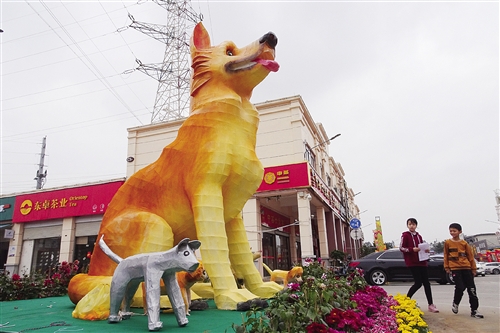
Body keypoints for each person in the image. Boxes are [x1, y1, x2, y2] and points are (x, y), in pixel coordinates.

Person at [444, 223, 484, 318]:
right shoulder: (447, 243)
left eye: (454, 231)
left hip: (466, 268)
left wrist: (473, 269)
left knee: (472, 289)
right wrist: (447, 267)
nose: (452, 232)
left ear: (460, 232)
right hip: (455, 269)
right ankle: (455, 303)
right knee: (460, 287)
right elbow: (446, 255)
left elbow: (470, 257)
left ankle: (474, 310)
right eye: (451, 231)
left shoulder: (464, 243)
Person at [399, 217, 439, 313]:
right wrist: (412, 249)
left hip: (422, 261)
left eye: (413, 224)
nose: (412, 226)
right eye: (410, 224)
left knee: (426, 283)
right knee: (418, 283)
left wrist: (426, 250)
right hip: (412, 262)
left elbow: (421, 247)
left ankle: (431, 304)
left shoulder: (419, 236)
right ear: (407, 225)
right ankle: (406, 300)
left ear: (416, 225)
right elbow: (401, 248)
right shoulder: (405, 235)